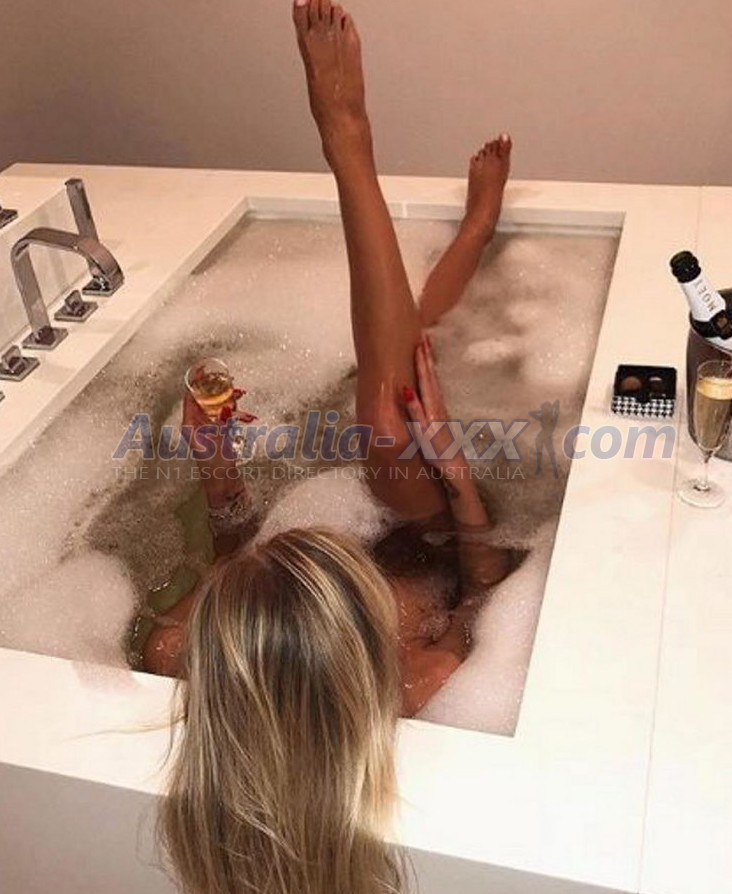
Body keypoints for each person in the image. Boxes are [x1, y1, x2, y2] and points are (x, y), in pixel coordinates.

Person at [156, 4, 517, 893]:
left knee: (401, 369)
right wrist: (457, 478)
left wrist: (220, 478)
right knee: (394, 412)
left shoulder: (179, 650)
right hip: (437, 533)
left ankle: (449, 221)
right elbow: (485, 590)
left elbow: (237, 562)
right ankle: (355, 147)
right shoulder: (423, 677)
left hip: (354, 516)